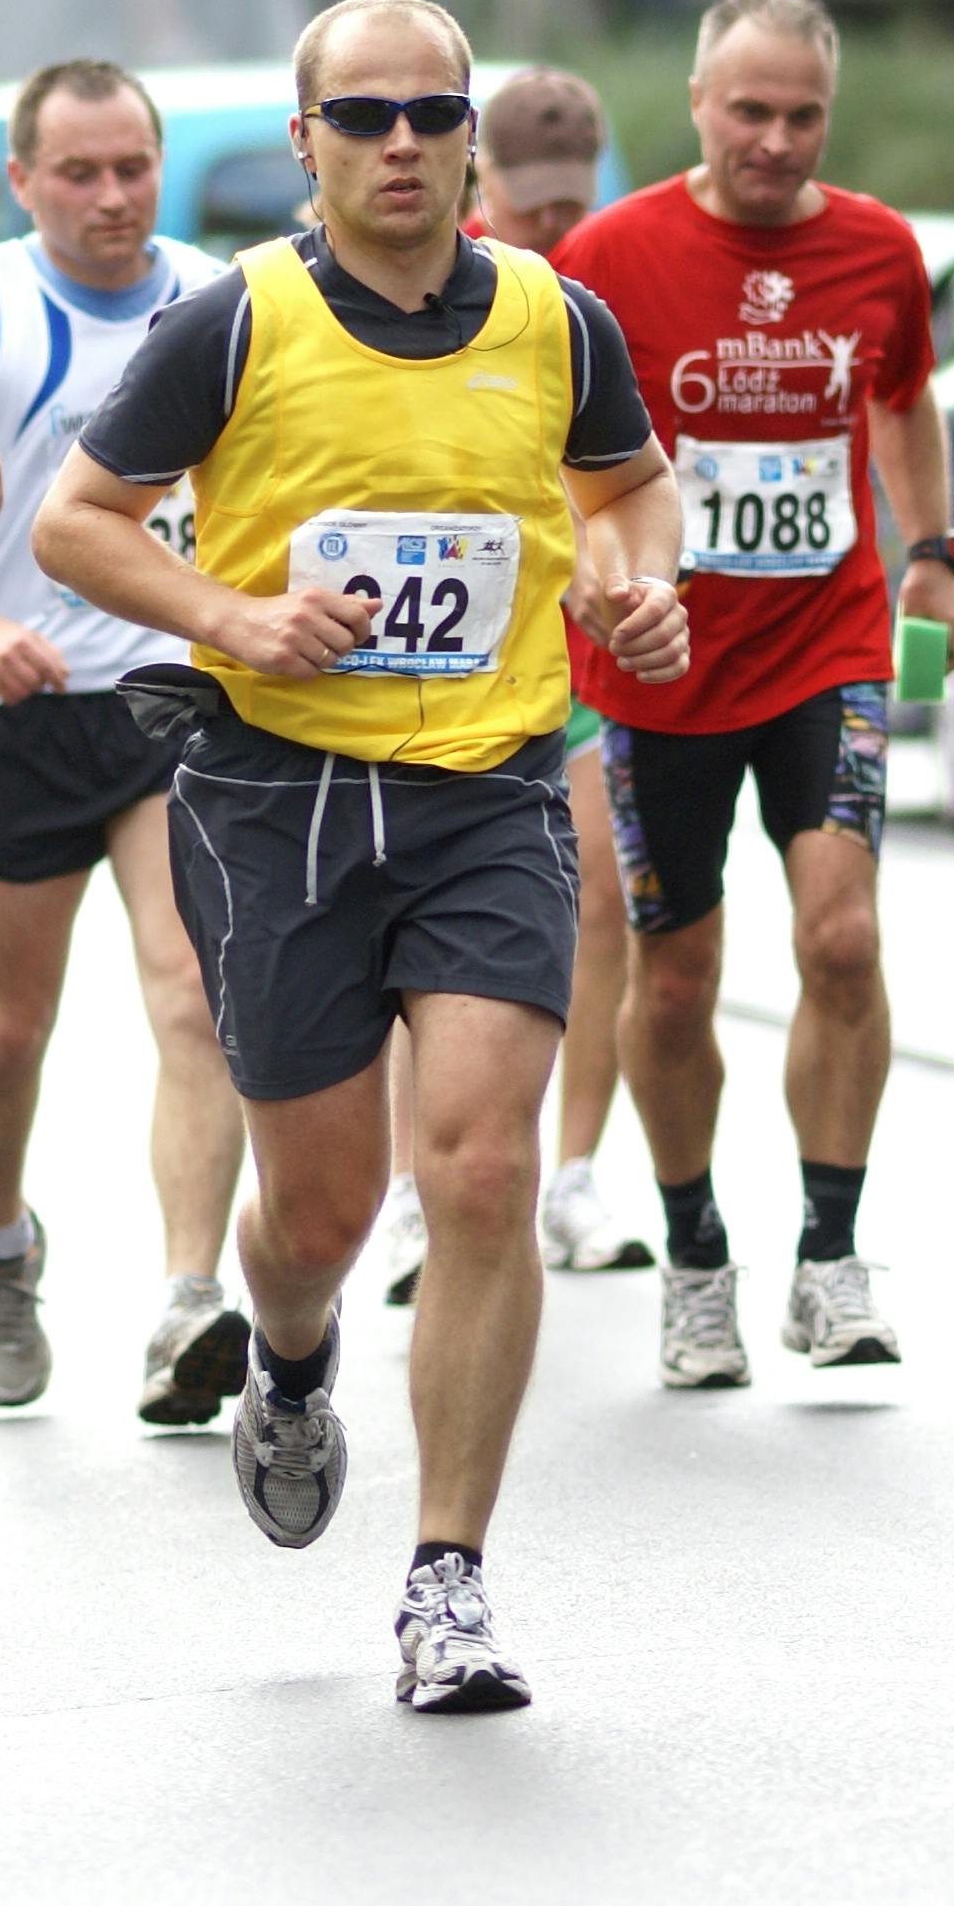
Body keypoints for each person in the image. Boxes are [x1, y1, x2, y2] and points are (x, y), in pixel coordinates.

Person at [33, 0, 689, 1715]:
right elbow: (73, 522)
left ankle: (447, 1579)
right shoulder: (230, 320)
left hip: (487, 789)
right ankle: (294, 1356)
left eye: (430, 112)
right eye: (363, 116)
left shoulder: (555, 317)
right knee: (315, 1212)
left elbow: (629, 483)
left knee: (476, 1173)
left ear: (471, 135)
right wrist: (231, 614)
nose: (400, 143)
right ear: (308, 143)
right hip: (280, 802)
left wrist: (640, 577)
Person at [548, 0, 954, 1387]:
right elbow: (558, 452)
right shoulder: (612, 255)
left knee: (842, 940)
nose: (777, 142)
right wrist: (601, 579)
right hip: (665, 669)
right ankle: (695, 1258)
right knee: (674, 986)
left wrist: (933, 558)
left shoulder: (877, 251)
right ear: (696, 105)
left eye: (803, 116)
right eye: (750, 112)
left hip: (829, 648)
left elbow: (904, 397)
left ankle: (834, 1258)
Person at [0, 60, 249, 1426]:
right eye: (79, 173)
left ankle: (186, 1300)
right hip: (21, 708)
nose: (110, 197)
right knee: (8, 1031)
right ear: (24, 181)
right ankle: (0, 1250)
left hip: (171, 700)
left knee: (191, 994)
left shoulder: (221, 303)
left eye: (132, 169)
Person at [361, 68, 655, 1304]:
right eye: (528, 204)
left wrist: (632, 576)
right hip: (434, 664)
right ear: (484, 181)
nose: (548, 224)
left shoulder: (595, 288)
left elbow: (626, 474)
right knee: (395, 931)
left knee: (598, 906)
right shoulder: (439, 282)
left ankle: (570, 1172)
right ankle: (414, 1188)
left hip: (571, 658)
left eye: (568, 202)